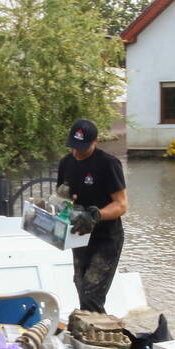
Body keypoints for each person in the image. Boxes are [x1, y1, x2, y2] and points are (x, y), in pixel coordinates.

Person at [56, 119, 128, 313]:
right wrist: (61, 208)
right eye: (73, 146)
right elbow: (63, 200)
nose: (77, 152)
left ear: (95, 141)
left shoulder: (108, 164)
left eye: (82, 147)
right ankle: (91, 330)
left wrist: (95, 215)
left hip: (106, 238)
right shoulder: (66, 163)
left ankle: (98, 336)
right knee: (80, 286)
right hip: (79, 236)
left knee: (91, 292)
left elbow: (121, 205)